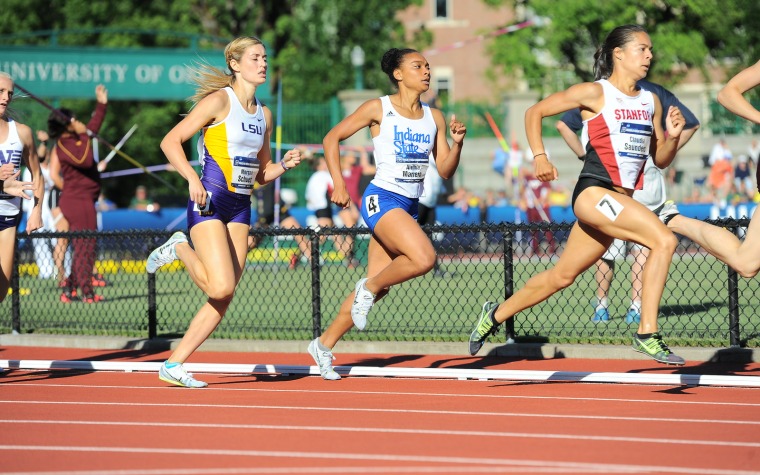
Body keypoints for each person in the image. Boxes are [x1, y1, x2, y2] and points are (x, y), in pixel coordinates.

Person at [468, 25, 687, 365]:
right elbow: (534, 112)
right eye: (642, 49)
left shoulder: (651, 101)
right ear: (619, 54)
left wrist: (672, 137)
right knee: (664, 240)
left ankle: (493, 315)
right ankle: (647, 332)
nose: (650, 56)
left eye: (650, 50)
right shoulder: (594, 93)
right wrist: (540, 155)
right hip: (594, 192)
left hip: (620, 202)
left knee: (562, 276)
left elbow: (659, 159)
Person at [147, 36, 302, 388]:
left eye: (265, 58)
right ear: (235, 64)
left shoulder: (264, 113)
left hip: (240, 208)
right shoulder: (218, 101)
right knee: (221, 284)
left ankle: (173, 364)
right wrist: (190, 178)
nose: (263, 63)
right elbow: (170, 141)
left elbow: (261, 175)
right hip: (210, 201)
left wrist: (284, 165)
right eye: (255, 58)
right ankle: (179, 247)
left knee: (224, 295)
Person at [307, 47, 467, 380]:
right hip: (381, 198)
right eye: (417, 66)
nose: (426, 71)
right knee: (424, 259)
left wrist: (457, 144)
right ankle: (366, 289)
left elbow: (446, 171)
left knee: (380, 287)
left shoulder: (434, 117)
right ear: (397, 74)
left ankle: (323, 345)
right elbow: (331, 137)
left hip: (409, 205)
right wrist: (338, 183)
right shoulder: (378, 108)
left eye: (427, 66)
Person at [557, 78, 701, 324]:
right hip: (639, 177)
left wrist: (585, 156)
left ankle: (602, 306)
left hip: (610, 179)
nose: (648, 56)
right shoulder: (654, 92)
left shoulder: (598, 91)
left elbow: (562, 125)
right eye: (643, 50)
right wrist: (661, 153)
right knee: (644, 245)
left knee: (606, 246)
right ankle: (635, 307)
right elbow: (691, 125)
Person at [48, 84, 108, 303]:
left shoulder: (77, 140)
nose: (79, 121)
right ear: (67, 125)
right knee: (86, 246)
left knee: (84, 246)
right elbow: (83, 159)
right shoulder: (65, 144)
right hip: (77, 201)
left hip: (84, 200)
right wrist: (86, 135)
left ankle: (69, 289)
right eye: (74, 119)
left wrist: (101, 106)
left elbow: (92, 128)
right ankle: (87, 293)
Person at [0, 71, 43, 302]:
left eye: (9, 93)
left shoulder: (23, 133)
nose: (6, 97)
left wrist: (36, 210)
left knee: (1, 292)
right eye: (0, 91)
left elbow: (38, 175)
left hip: (8, 219)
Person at [249, 178, 311, 270]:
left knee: (299, 233)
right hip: (264, 217)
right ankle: (234, 260)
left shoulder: (270, 174)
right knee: (252, 242)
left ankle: (313, 261)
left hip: (280, 212)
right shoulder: (250, 179)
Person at [417, 155, 450, 277]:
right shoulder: (430, 155)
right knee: (411, 231)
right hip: (421, 200)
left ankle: (436, 268)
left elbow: (441, 189)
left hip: (430, 203)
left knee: (429, 236)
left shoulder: (436, 170)